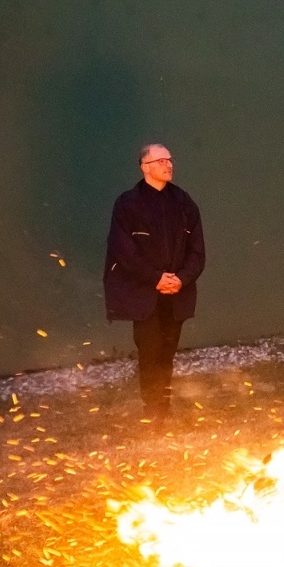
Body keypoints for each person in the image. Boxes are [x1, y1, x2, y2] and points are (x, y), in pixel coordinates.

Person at [105, 143, 206, 420]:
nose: (168, 164)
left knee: (167, 354)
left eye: (170, 159)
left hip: (175, 296)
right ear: (145, 167)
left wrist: (181, 280)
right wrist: (156, 279)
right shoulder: (128, 204)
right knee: (150, 355)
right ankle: (154, 414)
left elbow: (197, 251)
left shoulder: (184, 203)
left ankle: (164, 408)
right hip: (145, 297)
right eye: (161, 160)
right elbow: (123, 250)